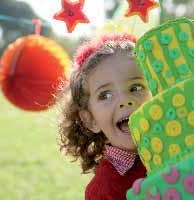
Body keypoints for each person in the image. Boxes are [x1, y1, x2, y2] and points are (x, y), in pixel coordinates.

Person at [57, 33, 152, 200]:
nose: (125, 101)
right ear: (91, 120)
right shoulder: (103, 190)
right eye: (106, 95)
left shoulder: (182, 146)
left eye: (136, 87)